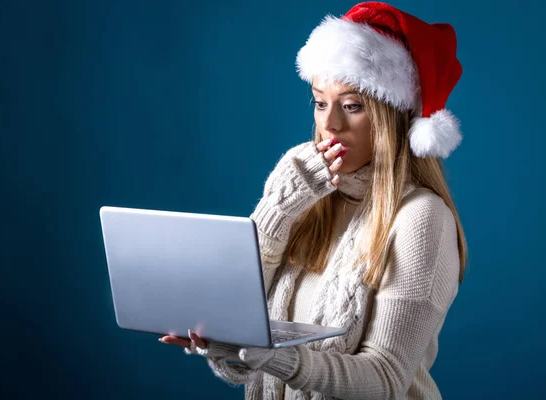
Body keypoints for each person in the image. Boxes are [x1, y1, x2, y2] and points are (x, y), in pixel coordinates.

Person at [159, 2, 467, 399]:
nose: (330, 124)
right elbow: (243, 321)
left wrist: (273, 357)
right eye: (320, 102)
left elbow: (386, 377)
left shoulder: (421, 218)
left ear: (393, 117)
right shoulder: (302, 188)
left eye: (352, 105)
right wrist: (279, 207)